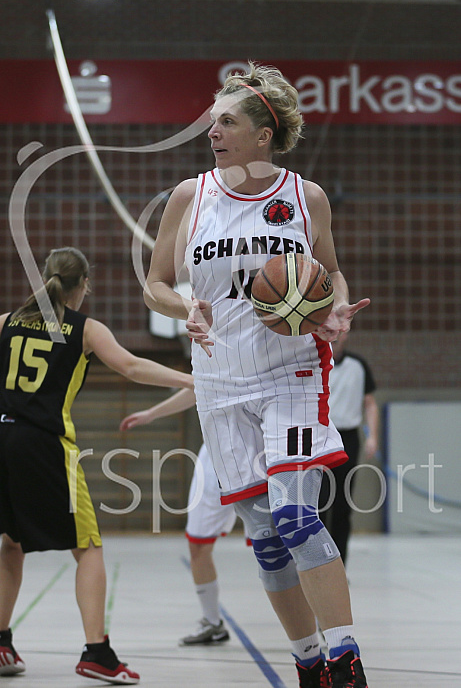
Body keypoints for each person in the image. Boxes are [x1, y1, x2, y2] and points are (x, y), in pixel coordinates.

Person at [144, 62, 370, 688]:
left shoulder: (305, 198)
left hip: (290, 375)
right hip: (219, 384)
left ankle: (346, 659)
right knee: (267, 538)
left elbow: (329, 273)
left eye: (225, 121)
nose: (211, 130)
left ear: (263, 134)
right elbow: (155, 284)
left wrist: (334, 312)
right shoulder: (190, 197)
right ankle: (307, 664)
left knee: (297, 518)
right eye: (210, 120)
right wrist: (183, 305)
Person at [0, 247, 194, 684]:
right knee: (88, 547)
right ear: (81, 285)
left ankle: (0, 641)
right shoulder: (83, 328)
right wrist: (189, 378)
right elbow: (130, 365)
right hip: (44, 444)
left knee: (11, 542)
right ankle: (97, 653)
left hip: (2, 437)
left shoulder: (7, 323)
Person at [120, 387, 235, 646]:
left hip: (260, 451)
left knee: (284, 545)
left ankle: (318, 624)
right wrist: (152, 413)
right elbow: (197, 385)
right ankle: (212, 623)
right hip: (215, 455)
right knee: (197, 544)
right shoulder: (211, 350)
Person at [319, 332, 379, 566]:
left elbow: (370, 403)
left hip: (347, 438)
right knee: (320, 503)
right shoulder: (316, 361)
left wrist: (372, 436)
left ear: (345, 337)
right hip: (321, 437)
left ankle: (339, 564)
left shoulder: (358, 365)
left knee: (343, 505)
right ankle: (319, 563)